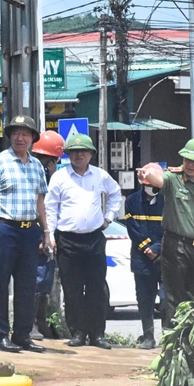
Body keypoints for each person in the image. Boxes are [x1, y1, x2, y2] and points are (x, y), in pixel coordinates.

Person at [136, 138, 194, 326]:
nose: (190, 164)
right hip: (175, 245)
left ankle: (191, 343)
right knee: (174, 298)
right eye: (187, 160)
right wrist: (148, 175)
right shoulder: (173, 178)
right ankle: (173, 342)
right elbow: (159, 181)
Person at [0, 115, 49, 353]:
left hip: (30, 231)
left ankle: (22, 335)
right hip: (5, 229)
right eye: (16, 133)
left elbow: (40, 201)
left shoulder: (37, 166)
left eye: (25, 134)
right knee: (0, 284)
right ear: (10, 136)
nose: (20, 138)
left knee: (28, 285)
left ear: (32, 139)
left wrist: (46, 233)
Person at [45, 133, 121, 349]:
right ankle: (78, 332)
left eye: (84, 151)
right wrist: (49, 235)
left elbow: (115, 194)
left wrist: (109, 218)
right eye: (75, 152)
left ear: (91, 154)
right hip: (67, 240)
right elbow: (51, 207)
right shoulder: (59, 177)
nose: (79, 155)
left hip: (94, 239)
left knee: (96, 288)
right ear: (68, 155)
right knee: (72, 289)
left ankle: (98, 334)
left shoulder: (100, 175)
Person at [125, 163, 165, 349]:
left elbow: (170, 228)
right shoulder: (132, 201)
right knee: (145, 300)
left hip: (164, 257)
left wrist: (157, 247)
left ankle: (169, 338)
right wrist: (146, 248)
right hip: (142, 258)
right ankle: (148, 336)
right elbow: (133, 229)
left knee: (167, 301)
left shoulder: (167, 200)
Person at [30, 130, 65, 340]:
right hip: (36, 232)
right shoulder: (34, 174)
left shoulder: (54, 178)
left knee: (46, 279)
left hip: (50, 233)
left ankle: (42, 321)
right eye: (48, 160)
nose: (49, 164)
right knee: (36, 279)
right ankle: (32, 323)